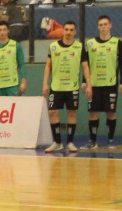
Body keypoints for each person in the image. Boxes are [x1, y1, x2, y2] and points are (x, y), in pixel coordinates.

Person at [42, 21, 90, 153]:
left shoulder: (79, 47)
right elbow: (48, 66)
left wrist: (89, 85)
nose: (68, 32)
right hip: (56, 86)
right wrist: (45, 83)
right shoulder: (53, 46)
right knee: (52, 112)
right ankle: (57, 142)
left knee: (72, 113)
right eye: (66, 29)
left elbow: (85, 67)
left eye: (71, 30)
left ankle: (70, 142)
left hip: (72, 87)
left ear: (75, 32)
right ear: (63, 31)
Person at [85, 15, 122, 149]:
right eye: (101, 25)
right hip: (94, 85)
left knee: (111, 112)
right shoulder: (90, 44)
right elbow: (86, 64)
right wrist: (85, 81)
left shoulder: (117, 43)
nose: (103, 27)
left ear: (110, 25)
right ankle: (92, 141)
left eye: (105, 24)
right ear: (98, 27)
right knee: (93, 112)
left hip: (110, 84)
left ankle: (110, 140)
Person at [0, 20, 26, 96]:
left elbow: (22, 65)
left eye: (4, 30)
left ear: (8, 31)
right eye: (0, 30)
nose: (2, 32)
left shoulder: (16, 46)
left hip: (13, 85)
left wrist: (23, 82)